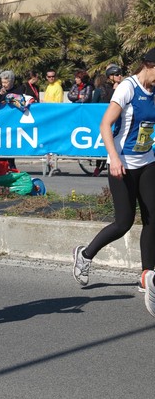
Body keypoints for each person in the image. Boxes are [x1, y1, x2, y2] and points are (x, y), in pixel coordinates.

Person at [73, 48, 155, 318]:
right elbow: (105, 124)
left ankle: (147, 276)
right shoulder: (127, 88)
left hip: (147, 161)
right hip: (122, 163)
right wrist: (114, 158)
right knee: (124, 222)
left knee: (152, 219)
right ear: (148, 65)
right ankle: (85, 255)